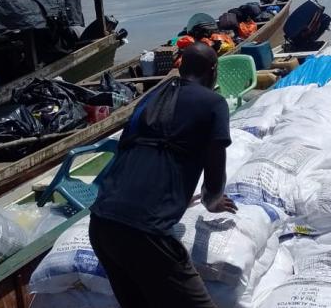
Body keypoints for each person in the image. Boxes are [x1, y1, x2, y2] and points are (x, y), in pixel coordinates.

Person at [89, 42, 237, 308]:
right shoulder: (214, 103)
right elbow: (215, 170)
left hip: (101, 222)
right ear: (213, 70)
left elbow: (126, 150)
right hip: (145, 231)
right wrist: (211, 200)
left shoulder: (150, 99)